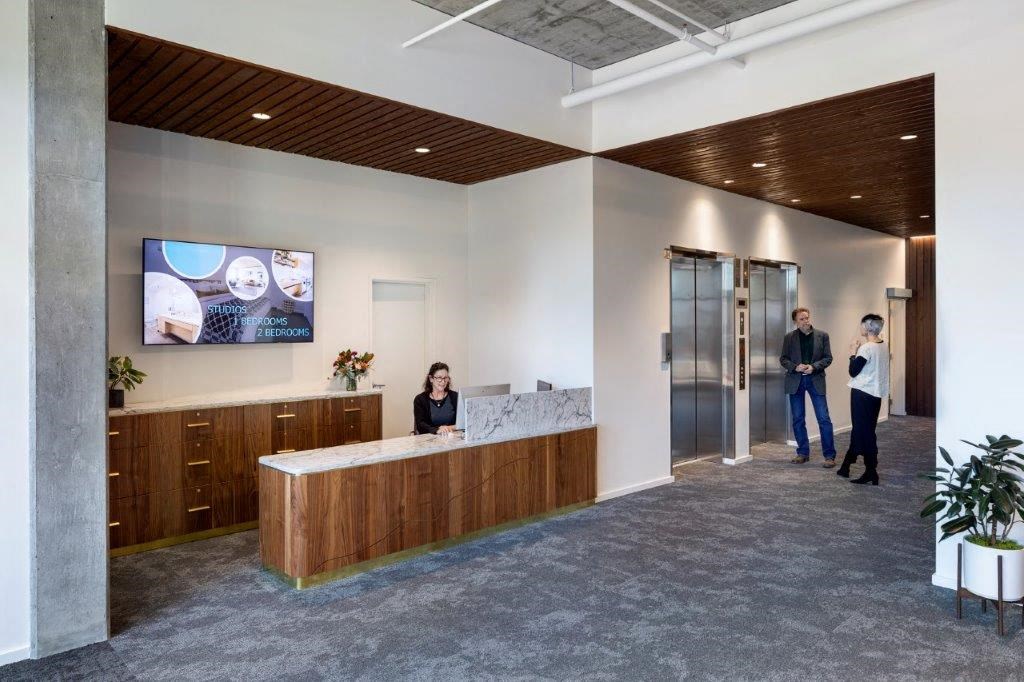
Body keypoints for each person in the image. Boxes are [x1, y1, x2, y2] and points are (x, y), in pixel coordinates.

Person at [837, 314, 890, 485]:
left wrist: (852, 353)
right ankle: (847, 466)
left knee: (863, 431)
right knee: (865, 429)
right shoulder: (883, 345)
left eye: (861, 325)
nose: (860, 328)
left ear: (867, 327)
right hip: (875, 394)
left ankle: (870, 471)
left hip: (862, 393)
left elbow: (853, 371)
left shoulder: (867, 348)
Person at [779, 307, 837, 466]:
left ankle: (829, 456)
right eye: (802, 319)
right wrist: (795, 367)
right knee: (798, 419)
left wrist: (813, 367)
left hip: (815, 379)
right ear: (795, 322)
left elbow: (828, 358)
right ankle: (802, 453)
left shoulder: (822, 336)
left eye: (807, 318)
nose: (806, 321)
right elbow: (783, 359)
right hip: (795, 381)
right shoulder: (789, 337)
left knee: (824, 418)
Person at [413, 362, 460, 435]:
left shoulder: (455, 397)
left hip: (452, 437)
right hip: (429, 439)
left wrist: (448, 428)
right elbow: (420, 425)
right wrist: (437, 430)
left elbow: (463, 422)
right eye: (439, 378)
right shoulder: (420, 399)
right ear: (431, 378)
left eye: (445, 378)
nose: (443, 381)